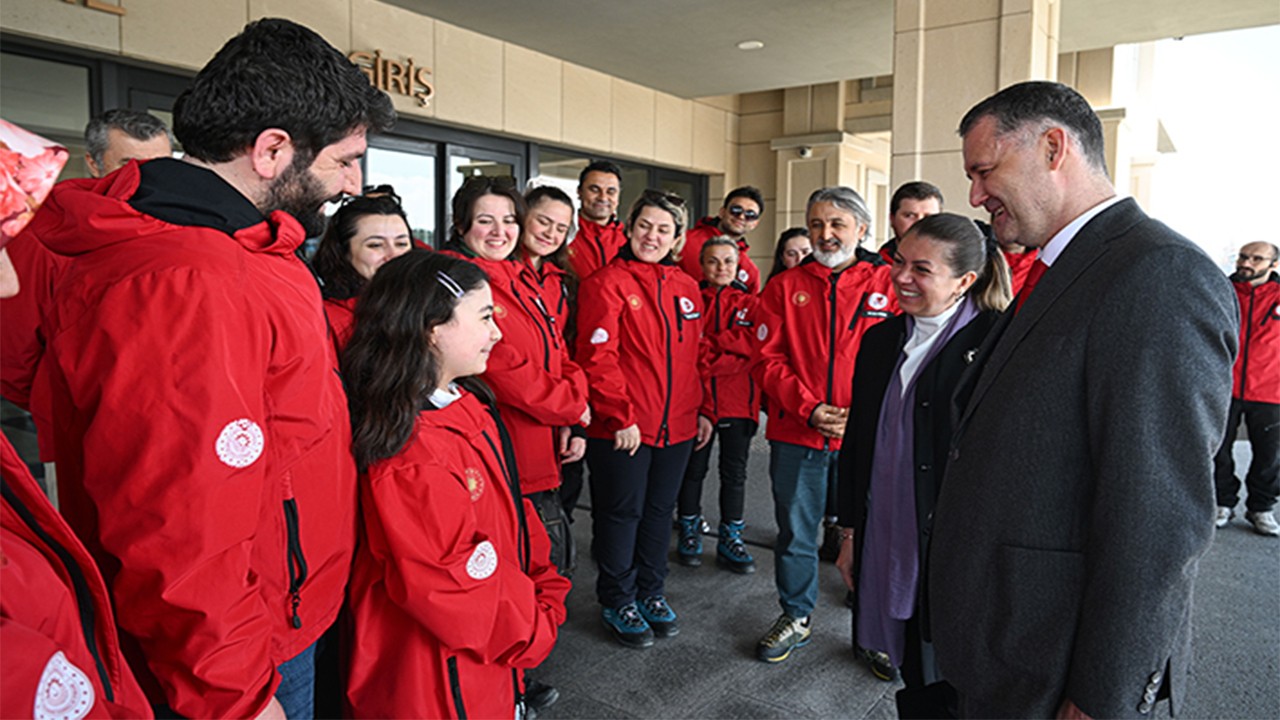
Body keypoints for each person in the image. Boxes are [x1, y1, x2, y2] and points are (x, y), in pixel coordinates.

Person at [30, 19, 395, 719]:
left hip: (281, 610)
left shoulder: (254, 246)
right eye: (346, 160)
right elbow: (174, 523)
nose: (354, 183)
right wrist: (232, 693)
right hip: (244, 654)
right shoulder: (187, 280)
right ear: (271, 150)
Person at [929, 81, 1237, 719]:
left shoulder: (1159, 274)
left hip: (1056, 668)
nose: (975, 196)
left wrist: (1104, 694)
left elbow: (1159, 517)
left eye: (984, 171)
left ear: (1051, 147)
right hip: (1010, 644)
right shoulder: (1067, 266)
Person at [341, 250, 569, 719]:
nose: (497, 332)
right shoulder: (414, 453)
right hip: (439, 678)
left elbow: (512, 512)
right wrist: (535, 624)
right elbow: (452, 587)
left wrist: (542, 582)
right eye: (485, 317)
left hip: (488, 649)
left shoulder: (465, 405)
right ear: (431, 328)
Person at [0, 118, 152, 720]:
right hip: (65, 431)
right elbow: (15, 355)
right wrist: (62, 397)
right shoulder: (46, 242)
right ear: (97, 167)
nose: (6, 283)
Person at [834, 214, 1010, 710]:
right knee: (913, 668)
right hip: (886, 532)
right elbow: (858, 445)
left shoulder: (999, 344)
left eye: (922, 269)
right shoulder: (880, 341)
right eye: (898, 262)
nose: (901, 277)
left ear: (966, 281)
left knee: (952, 674)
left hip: (958, 550)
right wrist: (849, 534)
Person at [750, 185, 897, 664]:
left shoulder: (889, 284)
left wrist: (866, 414)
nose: (825, 234)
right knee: (795, 531)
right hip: (798, 432)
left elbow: (906, 357)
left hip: (868, 436)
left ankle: (875, 630)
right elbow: (766, 360)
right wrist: (809, 408)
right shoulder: (783, 287)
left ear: (862, 228)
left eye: (837, 224)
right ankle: (796, 615)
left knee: (875, 532)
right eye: (816, 224)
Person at [1, 109, 174, 469]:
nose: (146, 179)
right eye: (127, 164)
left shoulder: (170, 231)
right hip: (75, 430)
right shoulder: (45, 233)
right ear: (93, 164)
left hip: (157, 427)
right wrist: (59, 406)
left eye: (159, 166)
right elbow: (14, 352)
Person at [576, 189, 709, 649]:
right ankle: (617, 598)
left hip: (679, 425)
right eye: (644, 225)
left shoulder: (688, 288)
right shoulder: (605, 282)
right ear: (629, 227)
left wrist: (703, 409)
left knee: (658, 515)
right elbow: (597, 357)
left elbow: (697, 357)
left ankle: (651, 591)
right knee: (621, 514)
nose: (652, 236)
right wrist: (619, 415)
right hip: (626, 429)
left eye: (664, 229)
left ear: (677, 239)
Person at [676, 236, 761, 573]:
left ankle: (731, 538)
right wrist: (724, 352)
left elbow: (755, 347)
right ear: (702, 265)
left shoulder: (753, 304)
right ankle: (689, 529)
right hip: (697, 402)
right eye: (713, 261)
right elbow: (687, 349)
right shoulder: (689, 299)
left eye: (728, 261)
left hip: (739, 403)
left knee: (735, 473)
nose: (721, 268)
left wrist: (713, 345)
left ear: (739, 265)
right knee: (693, 471)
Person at [1213, 241, 1280, 536]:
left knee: (1269, 455)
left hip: (1271, 390)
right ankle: (1221, 502)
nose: (1246, 263)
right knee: (1218, 451)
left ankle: (1261, 508)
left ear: (1273, 265)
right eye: (1243, 256)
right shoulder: (1221, 290)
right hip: (1223, 387)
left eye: (1256, 258)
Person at [311, 192, 413, 351]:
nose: (393, 255)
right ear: (343, 252)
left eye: (401, 244)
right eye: (375, 245)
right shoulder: (328, 322)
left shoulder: (423, 307)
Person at [679, 186, 766, 292]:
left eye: (750, 214)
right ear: (722, 212)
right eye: (736, 210)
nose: (741, 217)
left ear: (755, 224)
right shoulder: (684, 240)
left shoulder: (750, 270)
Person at [566, 160, 627, 280]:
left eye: (611, 192)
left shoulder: (629, 239)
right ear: (579, 192)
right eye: (594, 189)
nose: (603, 197)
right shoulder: (563, 232)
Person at [878, 181, 943, 263]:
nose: (920, 223)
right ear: (892, 219)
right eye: (910, 216)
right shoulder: (876, 270)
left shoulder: (956, 262)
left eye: (929, 217)